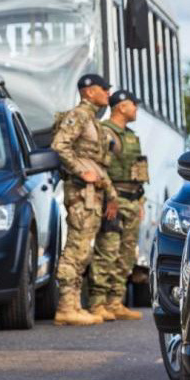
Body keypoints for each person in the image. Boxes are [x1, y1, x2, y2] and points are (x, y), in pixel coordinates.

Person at [50, 73, 118, 327]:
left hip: (93, 194)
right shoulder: (78, 115)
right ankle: (66, 306)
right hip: (80, 193)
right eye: (104, 89)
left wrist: (110, 194)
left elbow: (98, 164)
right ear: (89, 91)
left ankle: (75, 305)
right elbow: (59, 146)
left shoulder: (93, 120)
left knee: (84, 250)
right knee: (75, 249)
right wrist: (80, 171)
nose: (108, 93)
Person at [89, 90, 147, 321]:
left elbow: (138, 171)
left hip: (132, 201)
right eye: (134, 105)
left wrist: (140, 200)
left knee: (126, 255)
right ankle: (97, 303)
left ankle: (115, 301)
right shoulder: (105, 132)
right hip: (112, 200)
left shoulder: (131, 136)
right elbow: (100, 168)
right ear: (121, 106)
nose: (136, 109)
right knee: (107, 251)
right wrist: (108, 198)